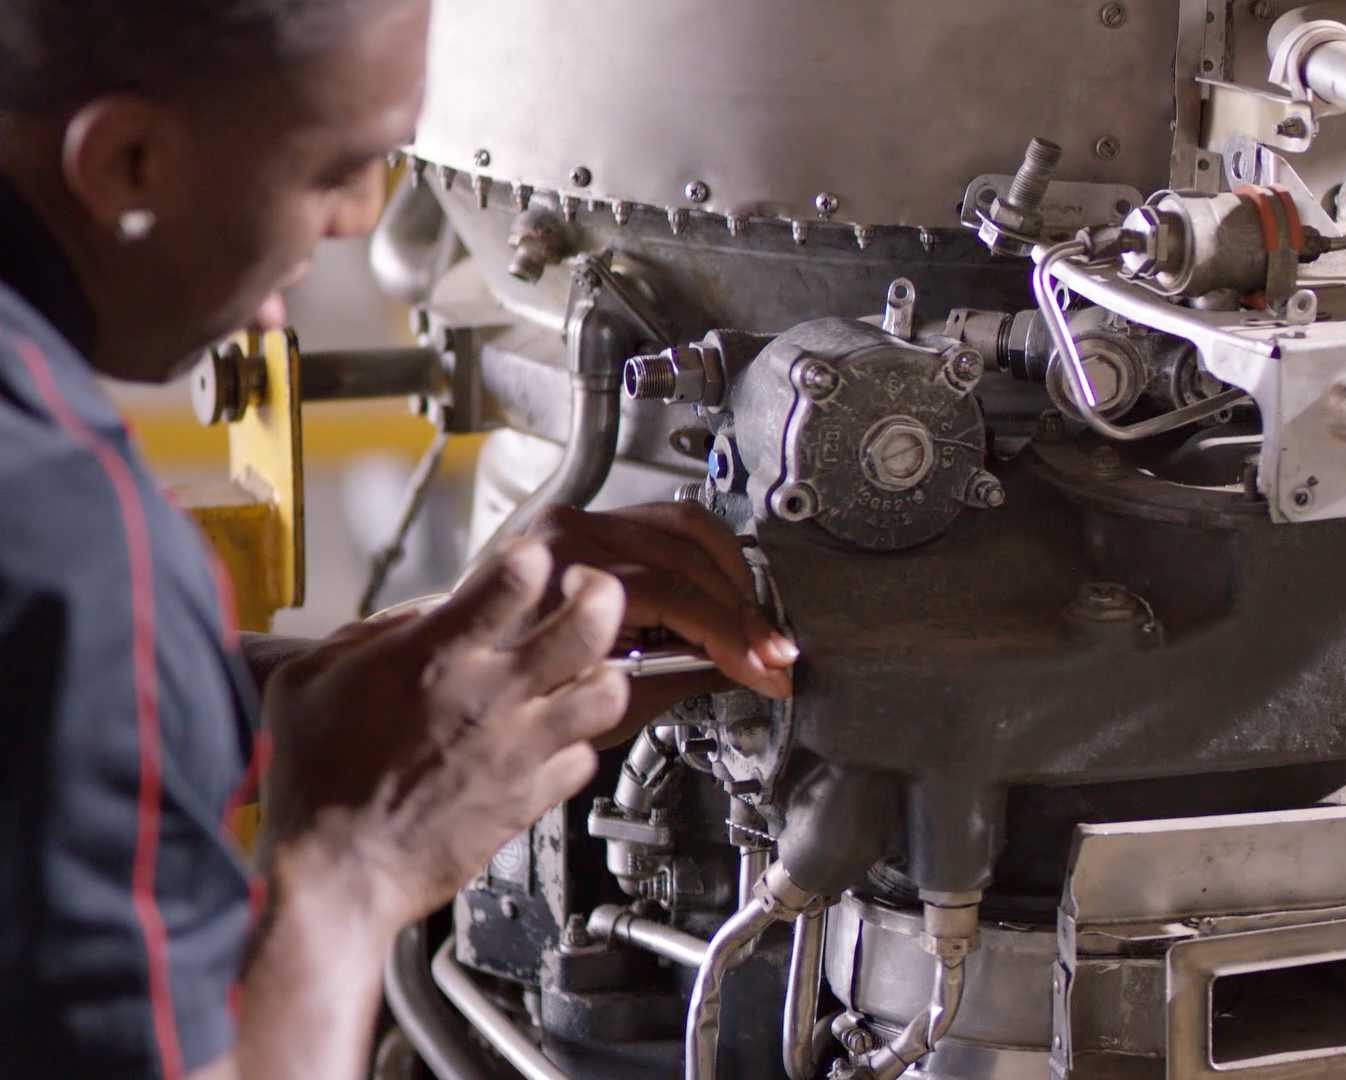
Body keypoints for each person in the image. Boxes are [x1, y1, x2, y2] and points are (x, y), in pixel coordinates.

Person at [0, 1, 799, 1075]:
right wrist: (358, 863)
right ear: (127, 161)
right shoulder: (67, 539)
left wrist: (360, 683)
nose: (359, 221)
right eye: (338, 171)